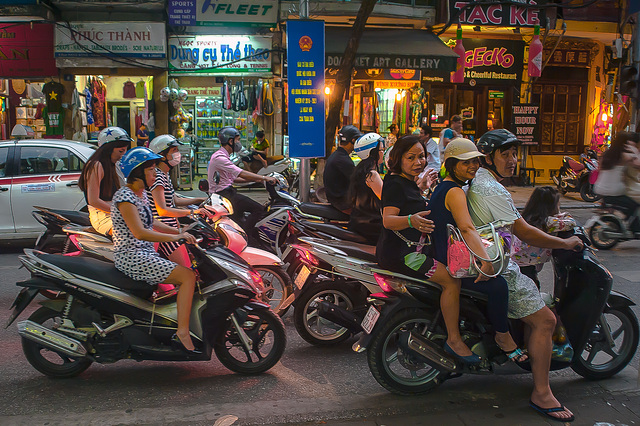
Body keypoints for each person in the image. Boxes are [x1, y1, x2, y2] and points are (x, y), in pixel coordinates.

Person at [466, 129, 582, 422]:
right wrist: (566, 243)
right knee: (545, 320)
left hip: (484, 257)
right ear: (488, 157)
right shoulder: (490, 188)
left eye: (514, 154)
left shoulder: (480, 182)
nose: (513, 160)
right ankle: (542, 393)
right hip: (495, 264)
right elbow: (524, 231)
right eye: (506, 154)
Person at [376, 135, 481, 364]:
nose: (418, 162)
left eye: (422, 156)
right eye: (411, 157)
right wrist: (412, 220)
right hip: (404, 255)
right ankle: (454, 339)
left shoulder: (405, 181)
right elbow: (388, 220)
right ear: (398, 159)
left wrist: (421, 188)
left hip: (405, 250)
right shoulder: (394, 183)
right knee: (452, 280)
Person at [428, 138, 526, 362]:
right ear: (452, 164)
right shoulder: (455, 192)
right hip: (452, 260)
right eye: (465, 163)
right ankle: (503, 338)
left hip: (444, 253)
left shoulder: (445, 186)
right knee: (498, 285)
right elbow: (467, 228)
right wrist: (485, 260)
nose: (472, 166)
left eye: (475, 161)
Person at [112, 147, 199, 353]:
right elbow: (140, 232)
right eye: (151, 170)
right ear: (138, 172)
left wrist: (180, 231)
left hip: (145, 253)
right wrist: (175, 236)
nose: (155, 174)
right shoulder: (125, 197)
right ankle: (183, 332)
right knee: (187, 277)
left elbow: (154, 222)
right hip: (133, 257)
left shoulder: (139, 194)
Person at [147, 134, 211, 267]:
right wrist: (191, 212)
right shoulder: (158, 177)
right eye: (174, 150)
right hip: (164, 231)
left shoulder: (164, 174)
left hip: (171, 227)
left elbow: (174, 199)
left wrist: (199, 200)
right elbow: (162, 210)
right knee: (186, 270)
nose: (178, 154)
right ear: (163, 156)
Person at [207, 126, 277, 244]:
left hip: (227, 193)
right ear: (230, 141)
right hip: (224, 196)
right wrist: (264, 177)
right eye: (237, 140)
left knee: (241, 218)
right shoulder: (220, 158)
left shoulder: (223, 156)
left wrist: (259, 180)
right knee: (258, 209)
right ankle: (247, 237)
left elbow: (234, 178)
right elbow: (241, 173)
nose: (239, 143)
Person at [516, 187, 576, 288]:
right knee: (532, 292)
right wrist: (564, 215)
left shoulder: (528, 218)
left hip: (519, 262)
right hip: (526, 267)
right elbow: (571, 223)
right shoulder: (548, 223)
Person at [78, 126, 132, 236]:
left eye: (125, 151)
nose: (123, 154)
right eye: (120, 151)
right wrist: (120, 212)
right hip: (103, 217)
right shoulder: (96, 165)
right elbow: (93, 200)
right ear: (109, 148)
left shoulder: (114, 165)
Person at [594, 131, 640, 231]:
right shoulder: (623, 155)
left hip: (599, 188)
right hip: (615, 191)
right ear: (625, 142)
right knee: (635, 204)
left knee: (626, 206)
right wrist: (635, 150)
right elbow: (638, 164)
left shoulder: (606, 154)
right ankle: (633, 228)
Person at [348, 132, 385, 245]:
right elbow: (386, 197)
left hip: (359, 222)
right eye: (382, 150)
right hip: (370, 225)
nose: (383, 153)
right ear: (373, 153)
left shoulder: (360, 170)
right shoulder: (372, 175)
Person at [324, 125, 362, 213]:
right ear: (353, 140)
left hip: (338, 200)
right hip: (343, 204)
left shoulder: (338, 156)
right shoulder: (342, 160)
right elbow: (358, 181)